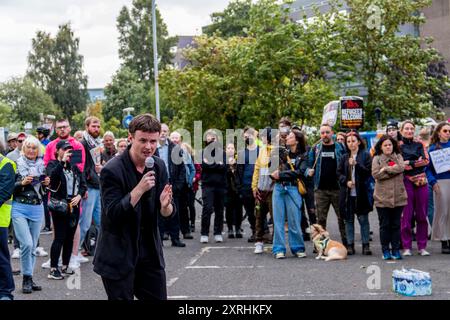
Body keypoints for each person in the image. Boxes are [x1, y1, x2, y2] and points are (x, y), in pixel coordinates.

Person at [93, 113, 174, 300]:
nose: (148, 147)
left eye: (153, 141)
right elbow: (113, 214)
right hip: (118, 255)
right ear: (130, 138)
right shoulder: (112, 170)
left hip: (149, 254)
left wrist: (165, 206)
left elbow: (168, 212)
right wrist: (139, 189)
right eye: (143, 140)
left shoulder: (159, 166)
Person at [11, 136, 50, 293]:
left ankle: (29, 277)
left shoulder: (42, 165)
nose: (32, 150)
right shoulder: (16, 164)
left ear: (38, 150)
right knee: (26, 244)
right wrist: (22, 183)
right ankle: (26, 279)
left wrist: (47, 184)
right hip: (19, 207)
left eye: (35, 148)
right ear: (24, 149)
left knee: (33, 246)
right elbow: (8, 187)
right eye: (29, 147)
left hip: (37, 208)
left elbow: (45, 191)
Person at [46, 141, 87, 279]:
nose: (68, 152)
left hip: (74, 205)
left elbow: (83, 184)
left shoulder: (74, 166)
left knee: (70, 237)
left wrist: (79, 195)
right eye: (65, 149)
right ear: (57, 151)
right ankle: (53, 268)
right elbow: (52, 179)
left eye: (70, 149)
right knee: (60, 237)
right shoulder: (53, 165)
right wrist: (61, 162)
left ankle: (65, 265)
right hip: (60, 205)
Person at [306, 123, 347, 246]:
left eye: (327, 132)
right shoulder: (316, 148)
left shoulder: (339, 147)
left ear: (332, 133)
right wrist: (309, 171)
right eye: (322, 132)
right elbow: (308, 166)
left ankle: (347, 243)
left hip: (337, 189)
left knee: (342, 218)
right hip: (321, 190)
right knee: (321, 220)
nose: (325, 135)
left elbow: (345, 165)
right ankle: (320, 245)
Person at [270, 130, 307, 259]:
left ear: (296, 140)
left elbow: (300, 172)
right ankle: (278, 249)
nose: (287, 138)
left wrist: (281, 175)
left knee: (294, 220)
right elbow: (271, 169)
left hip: (293, 188)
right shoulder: (280, 152)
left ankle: (298, 248)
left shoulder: (303, 155)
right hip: (279, 188)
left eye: (290, 136)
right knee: (278, 220)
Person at [372, 135, 407, 260]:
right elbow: (376, 174)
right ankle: (385, 250)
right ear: (381, 147)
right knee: (385, 225)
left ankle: (396, 250)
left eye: (390, 145)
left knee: (396, 225)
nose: (388, 147)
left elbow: (402, 167)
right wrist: (394, 171)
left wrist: (386, 169)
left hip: (399, 197)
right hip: (382, 198)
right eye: (385, 145)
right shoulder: (376, 158)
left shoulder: (398, 156)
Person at [337, 132, 372, 255]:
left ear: (358, 142)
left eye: (353, 141)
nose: (351, 144)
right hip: (348, 194)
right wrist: (346, 181)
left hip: (361, 193)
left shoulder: (366, 156)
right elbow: (339, 173)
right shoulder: (343, 157)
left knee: (363, 219)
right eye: (348, 142)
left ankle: (366, 245)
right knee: (349, 220)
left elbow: (368, 173)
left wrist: (356, 165)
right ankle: (350, 245)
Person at [399, 120, 430, 256]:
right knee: (406, 215)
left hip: (421, 181)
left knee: (422, 214)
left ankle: (422, 247)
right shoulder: (398, 146)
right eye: (406, 129)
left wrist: (410, 162)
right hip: (405, 181)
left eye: (411, 128)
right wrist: (415, 162)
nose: (409, 131)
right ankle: (406, 247)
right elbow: (398, 163)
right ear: (401, 131)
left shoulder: (420, 144)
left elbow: (426, 161)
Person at [156, 124, 186, 247]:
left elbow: (182, 168)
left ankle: (175, 238)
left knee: (174, 212)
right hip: (158, 183)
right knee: (158, 212)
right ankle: (159, 239)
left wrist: (178, 186)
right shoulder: (152, 147)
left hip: (172, 183)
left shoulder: (175, 148)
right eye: (161, 131)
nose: (163, 133)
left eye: (165, 131)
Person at [79, 116, 103, 253]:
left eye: (98, 126)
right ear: (87, 127)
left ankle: (100, 250)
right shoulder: (82, 143)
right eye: (94, 126)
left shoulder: (96, 143)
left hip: (97, 185)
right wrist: (83, 188)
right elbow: (79, 167)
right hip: (88, 187)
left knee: (100, 222)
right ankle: (74, 252)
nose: (96, 129)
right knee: (85, 223)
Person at [426, 122, 450, 254]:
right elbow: (427, 169)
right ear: (439, 132)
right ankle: (444, 240)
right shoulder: (433, 149)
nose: (448, 133)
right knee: (442, 211)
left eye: (449, 131)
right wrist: (433, 182)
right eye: (445, 131)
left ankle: (449, 237)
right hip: (440, 182)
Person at [200, 130, 227, 244]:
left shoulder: (223, 153)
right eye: (209, 138)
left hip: (220, 185)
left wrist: (211, 164)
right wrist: (217, 164)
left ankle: (218, 233)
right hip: (207, 185)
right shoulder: (202, 152)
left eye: (214, 138)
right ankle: (204, 233)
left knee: (219, 209)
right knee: (207, 208)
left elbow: (224, 167)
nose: (212, 140)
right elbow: (205, 165)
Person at [252, 127, 274, 254]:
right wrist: (254, 187)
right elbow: (257, 169)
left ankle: (276, 242)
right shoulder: (261, 151)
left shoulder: (276, 150)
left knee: (275, 217)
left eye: (264, 136)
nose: (262, 139)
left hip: (272, 191)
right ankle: (259, 241)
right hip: (261, 190)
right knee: (259, 217)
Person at [169, 131, 195, 240]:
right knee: (170, 208)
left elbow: (191, 168)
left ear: (180, 139)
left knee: (184, 208)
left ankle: (186, 231)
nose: (175, 140)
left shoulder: (185, 152)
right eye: (173, 138)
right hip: (172, 183)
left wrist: (189, 181)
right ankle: (169, 232)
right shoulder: (168, 151)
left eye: (177, 138)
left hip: (183, 184)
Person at [236, 127, 259, 242]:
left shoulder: (262, 151)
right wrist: (239, 188)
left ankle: (263, 232)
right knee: (250, 212)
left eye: (249, 136)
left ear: (254, 135)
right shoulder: (241, 153)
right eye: (245, 137)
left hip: (260, 186)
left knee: (261, 211)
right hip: (246, 186)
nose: (247, 138)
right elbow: (239, 172)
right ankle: (255, 231)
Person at [0, 148, 16, 300]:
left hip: (0, 220)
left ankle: (5, 292)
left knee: (1, 257)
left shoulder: (6, 164)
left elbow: (4, 192)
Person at [225, 143, 243, 239]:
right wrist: (229, 168)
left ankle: (238, 228)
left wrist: (234, 168)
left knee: (239, 209)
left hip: (238, 188)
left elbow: (241, 174)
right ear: (226, 150)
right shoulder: (223, 161)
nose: (231, 150)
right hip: (227, 190)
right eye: (228, 148)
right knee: (229, 209)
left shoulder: (239, 161)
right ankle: (230, 228)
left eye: (232, 148)